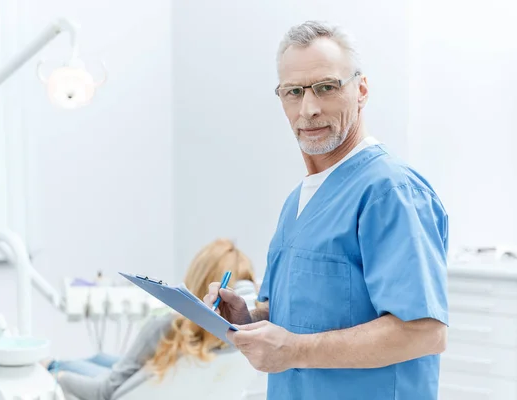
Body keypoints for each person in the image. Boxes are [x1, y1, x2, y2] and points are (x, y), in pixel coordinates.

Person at [203, 21, 449, 400]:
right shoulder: (297, 202)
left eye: (326, 88)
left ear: (361, 90)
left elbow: (424, 333)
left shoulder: (390, 192)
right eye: (293, 92)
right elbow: (300, 313)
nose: (309, 108)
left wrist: (296, 350)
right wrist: (248, 319)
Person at [45, 238, 256, 400]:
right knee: (99, 358)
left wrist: (57, 375)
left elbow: (104, 392)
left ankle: (53, 364)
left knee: (60, 365)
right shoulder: (240, 347)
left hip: (113, 387)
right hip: (140, 376)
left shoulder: (167, 328)